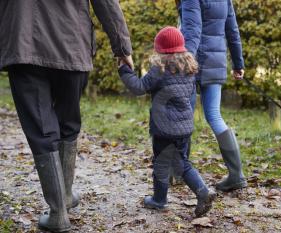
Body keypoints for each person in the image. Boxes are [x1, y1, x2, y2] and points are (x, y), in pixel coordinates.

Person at [0, 1, 133, 232]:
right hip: (72, 42)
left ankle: (59, 211)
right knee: (68, 122)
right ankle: (66, 195)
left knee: (41, 129)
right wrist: (122, 47)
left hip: (23, 44)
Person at [118, 27, 216, 217]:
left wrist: (124, 71)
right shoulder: (190, 69)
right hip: (185, 127)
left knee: (161, 164)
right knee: (182, 163)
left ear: (160, 50)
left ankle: (160, 200)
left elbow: (139, 88)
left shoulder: (159, 70)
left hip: (164, 129)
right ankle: (202, 191)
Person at [178, 0, 247, 191]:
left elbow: (192, 30)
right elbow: (232, 30)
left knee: (184, 116)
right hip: (215, 61)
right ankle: (236, 175)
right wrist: (238, 63)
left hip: (193, 63)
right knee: (214, 116)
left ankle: (178, 171)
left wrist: (186, 62)